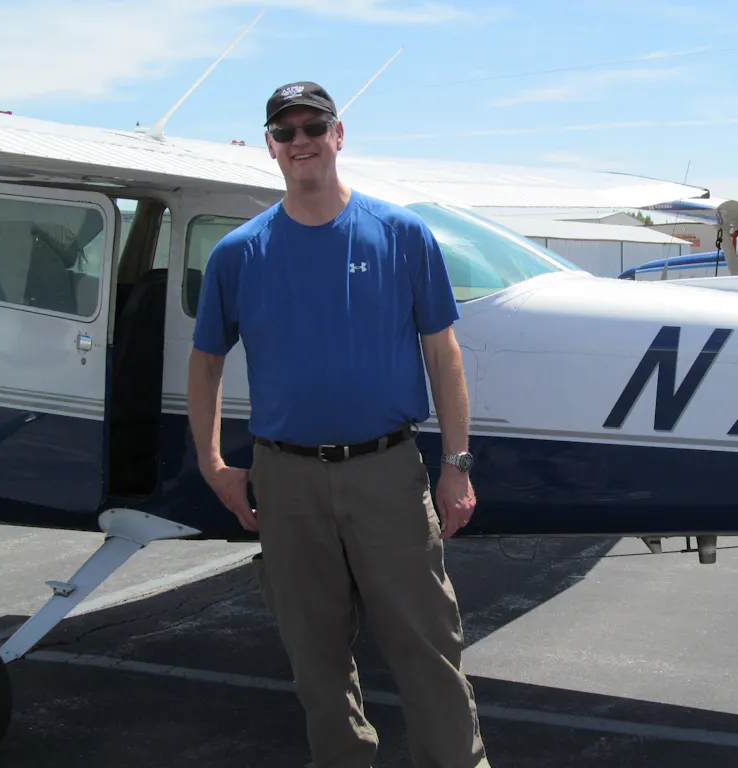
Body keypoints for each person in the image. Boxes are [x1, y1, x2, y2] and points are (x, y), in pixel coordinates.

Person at [186, 80, 490, 768]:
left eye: (313, 127)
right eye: (285, 132)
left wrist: (456, 465)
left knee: (428, 645)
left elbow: (443, 355)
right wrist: (213, 463)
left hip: (387, 474)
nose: (301, 142)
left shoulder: (402, 234)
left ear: (338, 135)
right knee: (315, 655)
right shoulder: (239, 252)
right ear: (271, 147)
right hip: (286, 479)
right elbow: (205, 362)